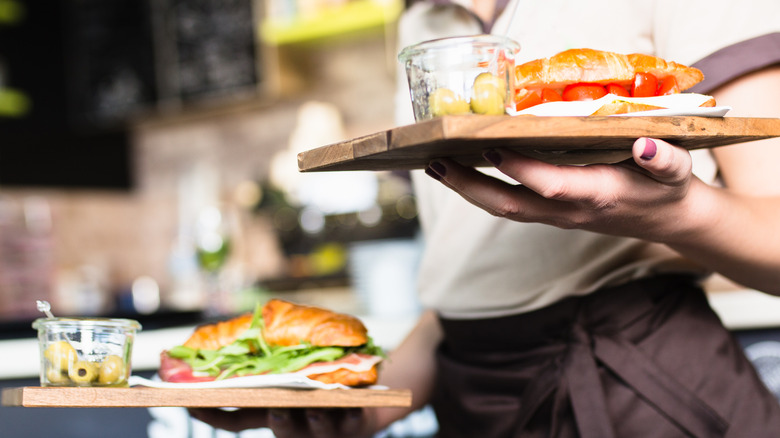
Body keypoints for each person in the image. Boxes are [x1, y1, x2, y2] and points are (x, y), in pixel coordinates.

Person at [190, 0, 780, 436]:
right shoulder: (421, 23)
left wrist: (677, 212)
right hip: (473, 402)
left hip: (647, 391)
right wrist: (366, 408)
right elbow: (468, 281)